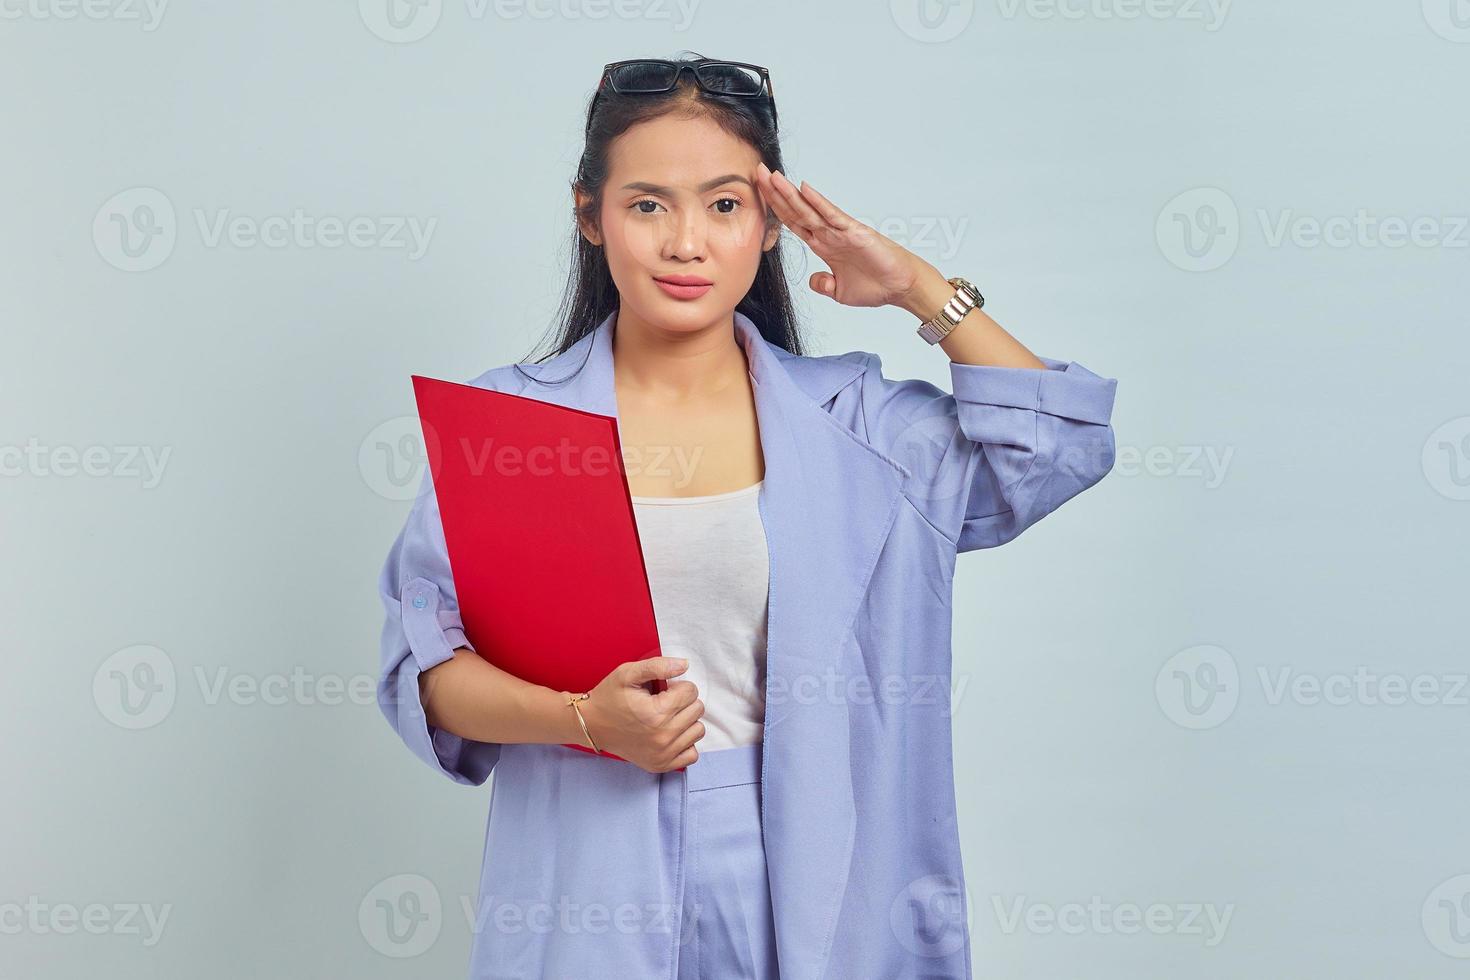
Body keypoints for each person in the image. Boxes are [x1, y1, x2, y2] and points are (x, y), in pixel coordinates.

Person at [376, 51, 1119, 980]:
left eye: (725, 205)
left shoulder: (858, 424)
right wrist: (582, 719)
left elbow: (1058, 450)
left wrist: (915, 287)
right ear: (590, 217)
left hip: (814, 864)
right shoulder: (516, 426)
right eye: (648, 204)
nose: (686, 242)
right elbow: (427, 671)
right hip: (590, 871)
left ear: (771, 225)